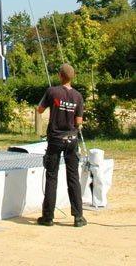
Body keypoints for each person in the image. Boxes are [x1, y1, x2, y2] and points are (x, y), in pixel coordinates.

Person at [37, 63, 87, 227]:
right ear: (72, 77)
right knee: (73, 177)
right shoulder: (78, 96)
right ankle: (78, 217)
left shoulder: (52, 91)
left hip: (55, 139)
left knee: (52, 177)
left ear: (60, 75)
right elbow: (78, 121)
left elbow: (40, 110)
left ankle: (48, 217)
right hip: (71, 140)